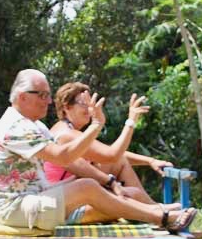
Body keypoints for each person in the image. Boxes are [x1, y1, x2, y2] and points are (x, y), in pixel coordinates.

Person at [0, 69, 196, 234]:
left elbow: (104, 156)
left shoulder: (36, 126)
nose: (47, 100)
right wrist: (109, 124)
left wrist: (147, 161)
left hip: (34, 197)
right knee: (89, 187)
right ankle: (161, 216)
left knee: (99, 188)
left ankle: (158, 213)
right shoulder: (16, 127)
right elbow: (68, 156)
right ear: (22, 97)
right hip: (12, 208)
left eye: (48, 95)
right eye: (42, 95)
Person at [43, 81, 176, 209]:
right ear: (67, 107)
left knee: (130, 188)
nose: (90, 109)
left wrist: (150, 161)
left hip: (71, 191)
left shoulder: (68, 130)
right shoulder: (66, 134)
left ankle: (155, 209)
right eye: (84, 104)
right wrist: (130, 122)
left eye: (91, 104)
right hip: (63, 198)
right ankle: (157, 210)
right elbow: (112, 155)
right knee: (134, 194)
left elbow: (109, 155)